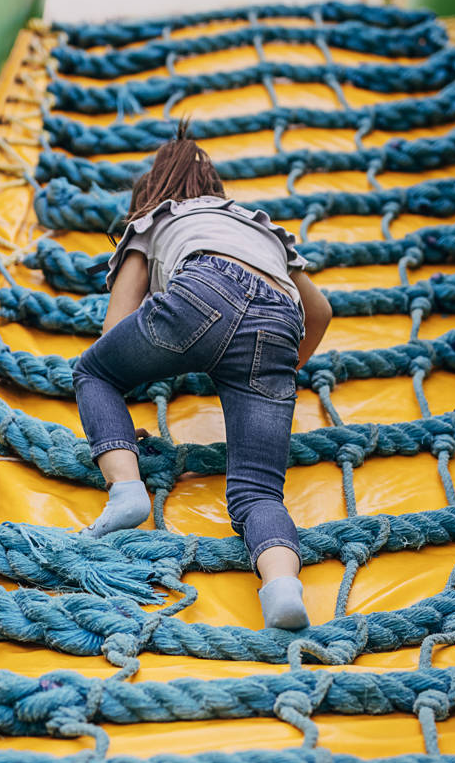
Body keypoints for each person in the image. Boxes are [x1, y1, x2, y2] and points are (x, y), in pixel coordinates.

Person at [71, 125, 333, 630]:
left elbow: (113, 332)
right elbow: (318, 310)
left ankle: (126, 490)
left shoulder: (155, 218)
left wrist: (125, 411)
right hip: (278, 323)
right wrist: (280, 371)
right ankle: (281, 586)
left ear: (153, 190)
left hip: (203, 287)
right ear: (214, 186)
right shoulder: (261, 228)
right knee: (258, 492)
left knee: (94, 372)